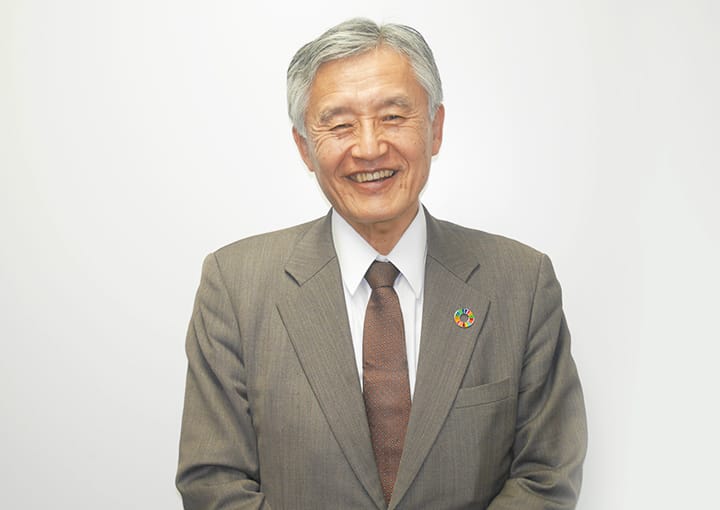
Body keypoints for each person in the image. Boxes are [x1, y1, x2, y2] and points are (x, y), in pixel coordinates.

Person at [176, 18, 587, 510]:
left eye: (392, 116)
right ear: (304, 147)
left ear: (435, 128)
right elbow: (213, 482)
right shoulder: (234, 286)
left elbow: (545, 474)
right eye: (340, 124)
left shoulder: (521, 282)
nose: (369, 147)